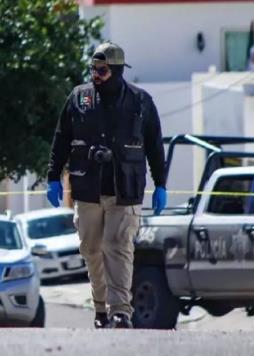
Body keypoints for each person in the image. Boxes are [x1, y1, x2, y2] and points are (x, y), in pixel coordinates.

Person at [45, 43, 167, 329]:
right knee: (91, 248)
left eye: (101, 70)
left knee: (118, 245)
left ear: (116, 70)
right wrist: (52, 176)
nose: (95, 75)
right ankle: (101, 308)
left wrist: (161, 183)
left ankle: (120, 312)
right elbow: (61, 138)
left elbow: (154, 145)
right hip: (87, 188)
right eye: (93, 69)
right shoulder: (79, 97)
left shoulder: (141, 102)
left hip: (126, 189)